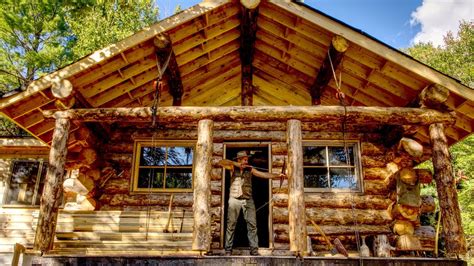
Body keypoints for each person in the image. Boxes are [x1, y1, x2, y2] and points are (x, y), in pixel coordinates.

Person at [219, 150, 286, 256]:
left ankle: (254, 250)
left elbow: (263, 174)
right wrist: (237, 164)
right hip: (234, 199)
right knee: (231, 225)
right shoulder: (232, 168)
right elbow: (222, 162)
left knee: (252, 225)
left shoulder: (250, 170)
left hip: (248, 199)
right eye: (245, 160)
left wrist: (278, 175)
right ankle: (228, 250)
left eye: (247, 160)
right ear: (240, 160)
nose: (247, 161)